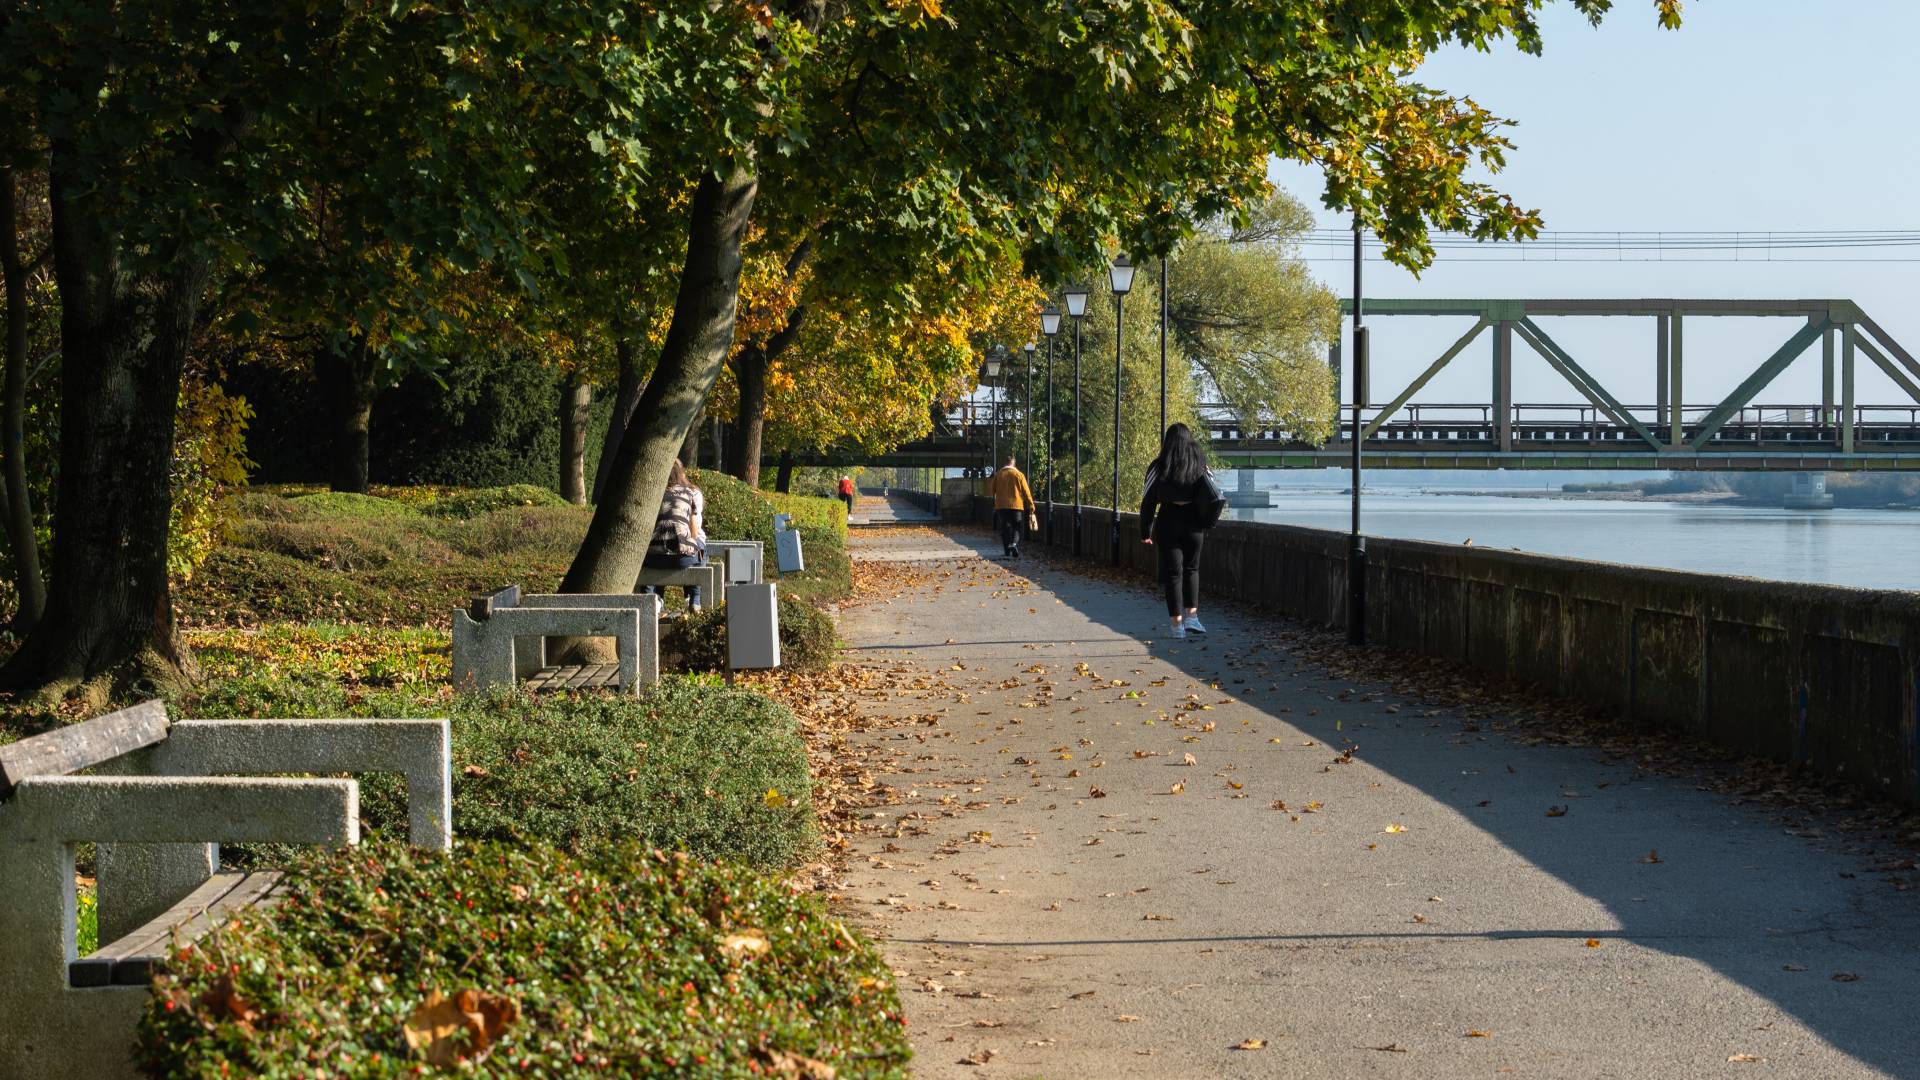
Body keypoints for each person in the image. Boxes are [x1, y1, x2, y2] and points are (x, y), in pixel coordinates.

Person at [1140, 423, 1226, 638]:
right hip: (1193, 522)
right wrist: (1208, 520)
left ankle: (1177, 626)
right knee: (1192, 569)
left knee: (1173, 573)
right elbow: (1213, 491)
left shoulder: (1158, 466)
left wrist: (1145, 531)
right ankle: (1192, 618)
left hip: (1168, 521)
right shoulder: (1199, 464)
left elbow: (1148, 500)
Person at [642, 461, 708, 613]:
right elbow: (694, 531)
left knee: (657, 546)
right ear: (680, 473)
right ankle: (695, 598)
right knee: (701, 547)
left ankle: (651, 598)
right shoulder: (689, 493)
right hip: (682, 559)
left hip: (652, 560)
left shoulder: (651, 492)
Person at [987, 454, 1035, 558]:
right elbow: (1026, 492)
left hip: (1001, 506)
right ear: (1013, 463)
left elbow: (991, 491)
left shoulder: (998, 474)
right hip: (1016, 506)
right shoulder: (1019, 475)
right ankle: (1013, 544)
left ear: (1005, 462)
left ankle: (1007, 551)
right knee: (1016, 526)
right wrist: (1031, 504)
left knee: (1005, 527)